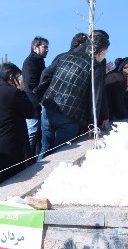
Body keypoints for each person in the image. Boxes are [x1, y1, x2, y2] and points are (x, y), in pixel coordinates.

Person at [34, 30, 110, 159]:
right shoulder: (95, 67)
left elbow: (45, 74)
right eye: (105, 53)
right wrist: (93, 124)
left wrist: (42, 97)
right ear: (100, 52)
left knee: (45, 148)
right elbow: (95, 97)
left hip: (49, 108)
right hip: (70, 115)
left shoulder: (65, 56)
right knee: (60, 154)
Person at [0, 62, 34, 185]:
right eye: (18, 77)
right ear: (11, 77)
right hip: (14, 151)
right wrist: (22, 91)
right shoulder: (13, 93)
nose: (20, 81)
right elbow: (31, 112)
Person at [22, 36, 49, 158]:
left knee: (36, 137)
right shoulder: (32, 61)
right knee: (31, 135)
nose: (47, 50)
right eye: (44, 47)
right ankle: (25, 161)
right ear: (35, 48)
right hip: (33, 105)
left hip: (35, 104)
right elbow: (32, 84)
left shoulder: (37, 61)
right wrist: (41, 101)